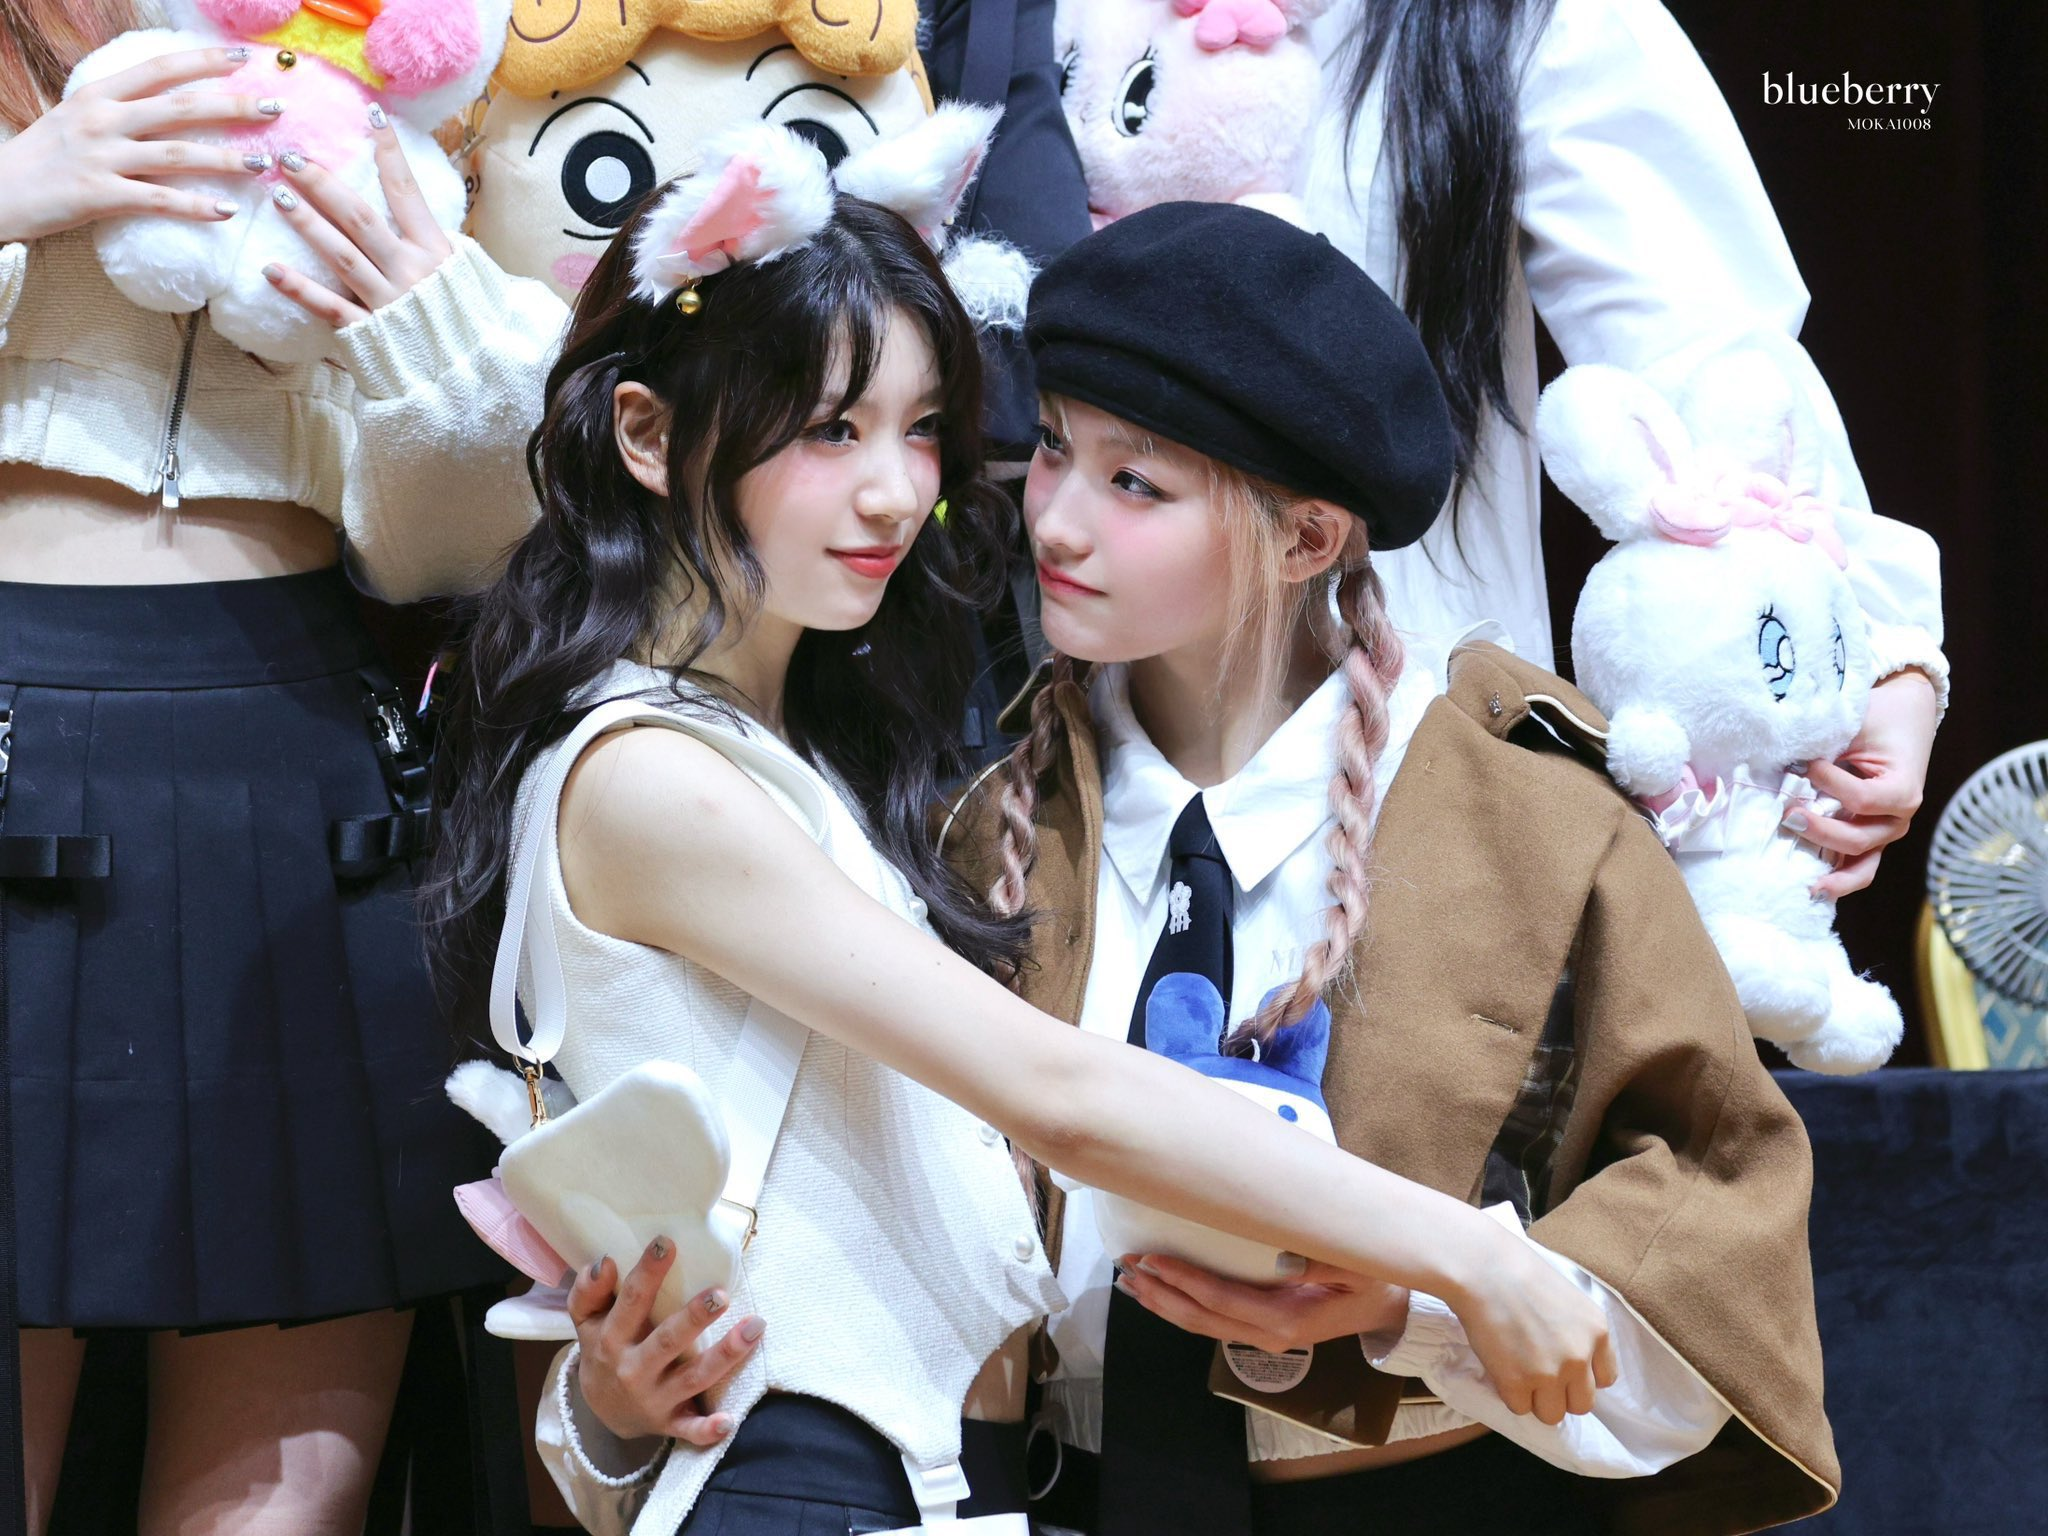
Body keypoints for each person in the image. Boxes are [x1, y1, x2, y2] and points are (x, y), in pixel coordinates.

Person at [422, 127, 1616, 1536]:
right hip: (823, 1479)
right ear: (647, 435)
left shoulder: (810, 757)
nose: (896, 490)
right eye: (830, 430)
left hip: (933, 1482)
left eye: (923, 427)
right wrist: (1473, 1258)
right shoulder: (651, 776)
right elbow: (1061, 1096)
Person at [941, 200, 1835, 1535]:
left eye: (1136, 485)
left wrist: (1423, 1299)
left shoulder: (1535, 822)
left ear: (1308, 539)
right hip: (1052, 1498)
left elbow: (1715, 1225)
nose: (1057, 524)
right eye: (1055, 449)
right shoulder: (989, 824)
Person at [0, 8, 557, 1529]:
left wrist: (430, 325)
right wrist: (20, 192)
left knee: (281, 1508)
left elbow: (464, 551)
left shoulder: (416, 56)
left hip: (304, 775)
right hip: (23, 737)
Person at [1302, 0, 1943, 900]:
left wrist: (1878, 654)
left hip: (1394, 749)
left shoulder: (1539, 21)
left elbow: (1713, 367)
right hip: (1096, 724)